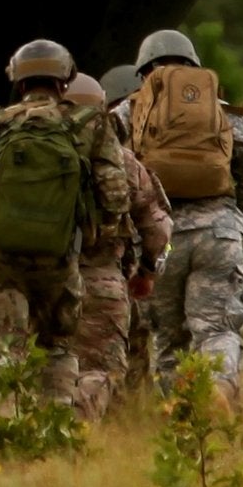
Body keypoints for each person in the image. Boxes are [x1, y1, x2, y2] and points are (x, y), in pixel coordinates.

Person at [0, 39, 153, 418]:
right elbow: (116, 198)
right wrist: (84, 237)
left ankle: (4, 432)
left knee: (3, 352)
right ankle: (57, 430)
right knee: (58, 348)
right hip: (60, 262)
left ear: (18, 83)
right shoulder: (90, 126)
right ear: (65, 81)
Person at [124, 26, 243, 393]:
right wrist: (231, 220)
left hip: (160, 243)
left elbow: (108, 180)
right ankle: (219, 392)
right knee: (217, 329)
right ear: (194, 65)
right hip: (219, 233)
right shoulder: (229, 117)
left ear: (143, 71)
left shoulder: (126, 115)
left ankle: (180, 416)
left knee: (167, 338)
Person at [61, 70, 170, 397]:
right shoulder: (124, 161)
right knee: (101, 370)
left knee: (47, 366)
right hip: (103, 279)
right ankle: (87, 429)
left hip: (39, 281)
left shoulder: (32, 153)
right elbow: (160, 229)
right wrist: (149, 270)